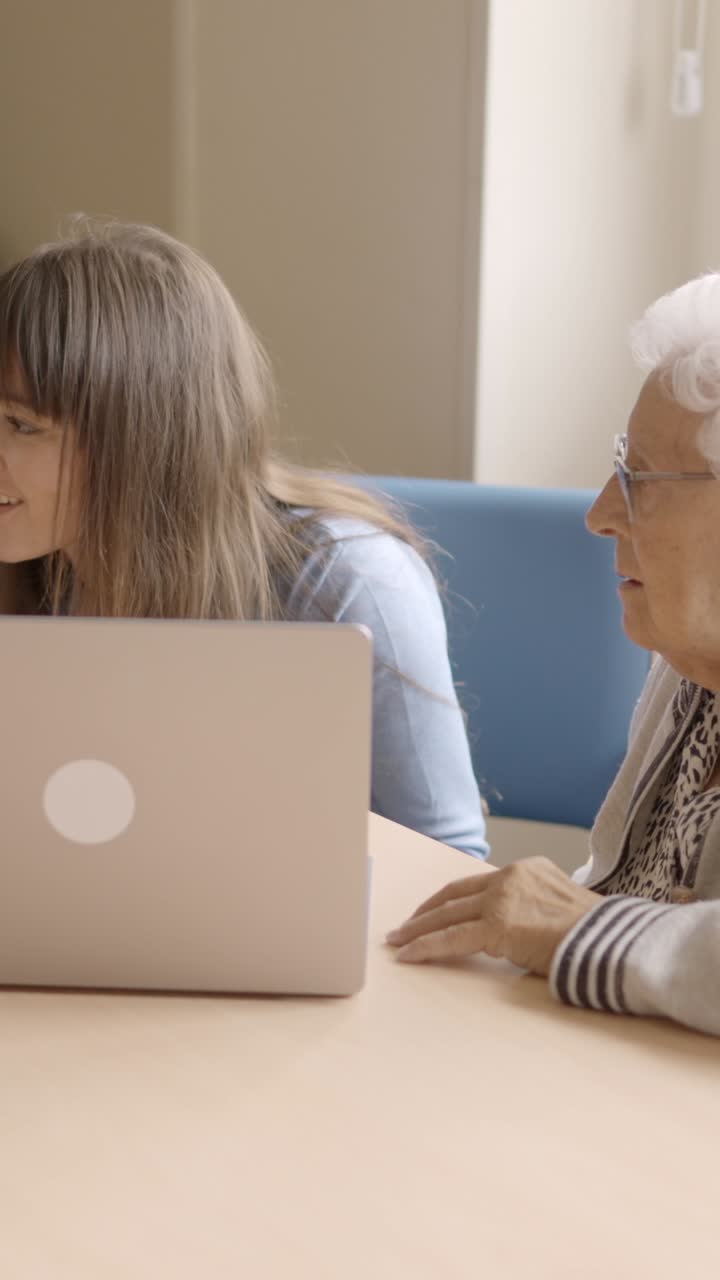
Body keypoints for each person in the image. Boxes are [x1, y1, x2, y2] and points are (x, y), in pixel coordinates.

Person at [0, 219, 488, 858]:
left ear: (138, 437)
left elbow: (449, 870)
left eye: (18, 424)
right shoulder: (33, 561)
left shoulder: (347, 584)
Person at [388, 271, 720, 1037]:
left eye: (640, 480)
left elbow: (595, 921)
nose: (603, 514)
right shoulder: (688, 662)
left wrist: (574, 929)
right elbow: (615, 889)